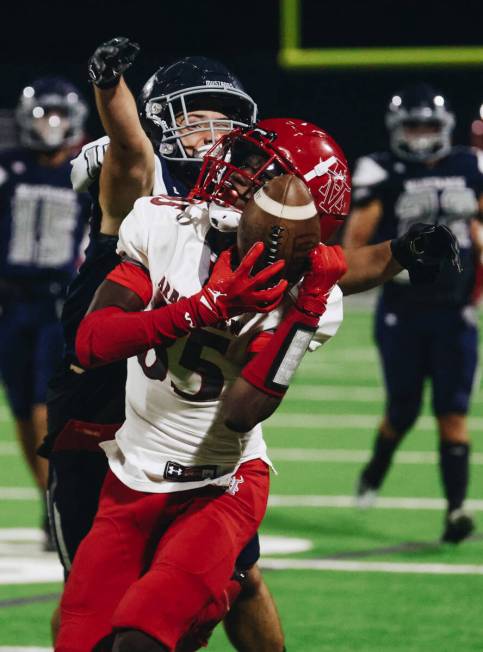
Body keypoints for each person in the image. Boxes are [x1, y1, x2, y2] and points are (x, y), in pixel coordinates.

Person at [55, 117, 459, 652]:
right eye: (245, 161)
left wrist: (308, 309)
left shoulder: (308, 296)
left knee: (141, 639)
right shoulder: (166, 226)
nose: (234, 173)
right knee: (79, 642)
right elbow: (92, 342)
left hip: (219, 488)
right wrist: (204, 307)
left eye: (257, 172)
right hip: (130, 478)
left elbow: (243, 411)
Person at [42, 38, 286, 651]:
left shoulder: (240, 209)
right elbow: (128, 147)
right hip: (102, 412)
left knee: (240, 576)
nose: (213, 132)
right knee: (92, 596)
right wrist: (108, 87)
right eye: (194, 117)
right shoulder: (140, 187)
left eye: (222, 119)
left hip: (182, 415)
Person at [344, 83, 483, 543]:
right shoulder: (382, 169)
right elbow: (355, 245)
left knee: (452, 412)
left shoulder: (470, 165)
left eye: (429, 125)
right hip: (402, 311)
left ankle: (456, 512)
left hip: (455, 311)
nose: (421, 134)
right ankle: (374, 470)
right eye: (413, 125)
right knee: (402, 412)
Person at [0, 77, 90, 547]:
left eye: (58, 115)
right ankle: (46, 499)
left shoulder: (84, 171)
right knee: (18, 407)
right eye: (42, 114)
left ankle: (59, 499)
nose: (50, 125)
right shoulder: (7, 166)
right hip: (10, 302)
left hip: (58, 301)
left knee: (41, 404)